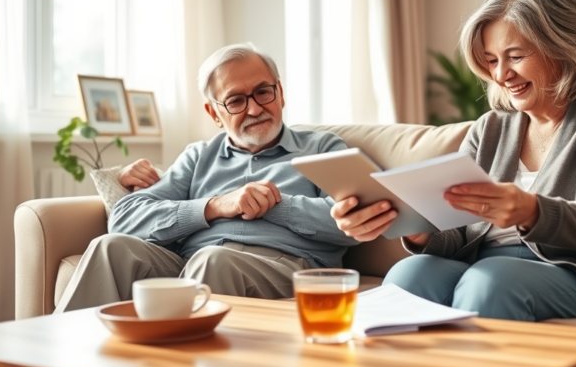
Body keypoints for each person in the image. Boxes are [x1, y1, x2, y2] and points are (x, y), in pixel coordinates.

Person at [331, 0, 576, 322]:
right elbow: (461, 230)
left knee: (491, 282)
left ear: (563, 45)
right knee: (409, 273)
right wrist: (418, 228)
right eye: (491, 61)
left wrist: (531, 210)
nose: (502, 75)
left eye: (516, 56)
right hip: (488, 265)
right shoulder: (491, 127)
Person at [55, 43, 359, 312]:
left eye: (263, 92)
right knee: (110, 247)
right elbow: (124, 220)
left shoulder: (322, 147)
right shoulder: (198, 156)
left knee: (213, 259)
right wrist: (215, 206)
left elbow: (355, 224)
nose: (254, 108)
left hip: (287, 267)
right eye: (236, 100)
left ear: (280, 93)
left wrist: (273, 205)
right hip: (192, 263)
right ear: (214, 114)